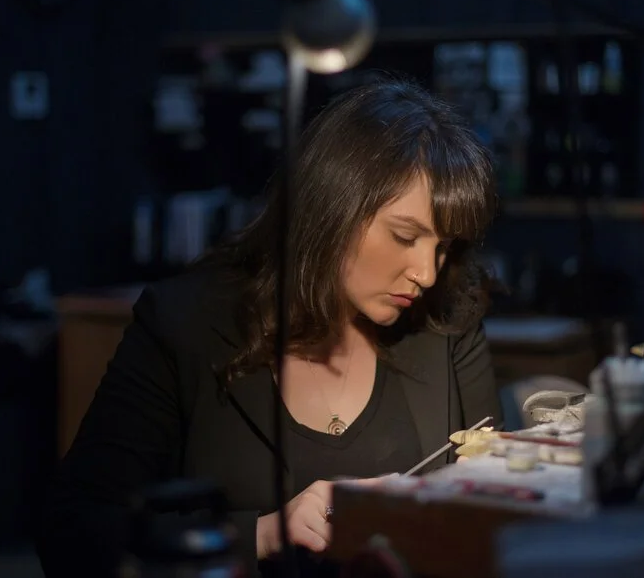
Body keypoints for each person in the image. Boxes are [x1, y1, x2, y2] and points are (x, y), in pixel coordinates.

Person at [37, 79, 503, 577]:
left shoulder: (444, 323)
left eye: (443, 247)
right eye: (404, 236)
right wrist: (263, 534)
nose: (426, 274)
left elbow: (498, 510)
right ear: (332, 208)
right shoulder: (186, 324)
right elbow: (74, 531)